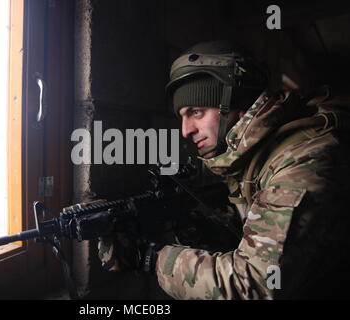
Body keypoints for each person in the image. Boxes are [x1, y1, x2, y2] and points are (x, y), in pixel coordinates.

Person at [98, 40, 350, 299]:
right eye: (182, 116)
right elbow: (247, 228)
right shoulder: (254, 157)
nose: (186, 130)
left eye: (196, 111)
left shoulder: (302, 164)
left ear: (236, 101)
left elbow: (252, 286)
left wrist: (152, 258)